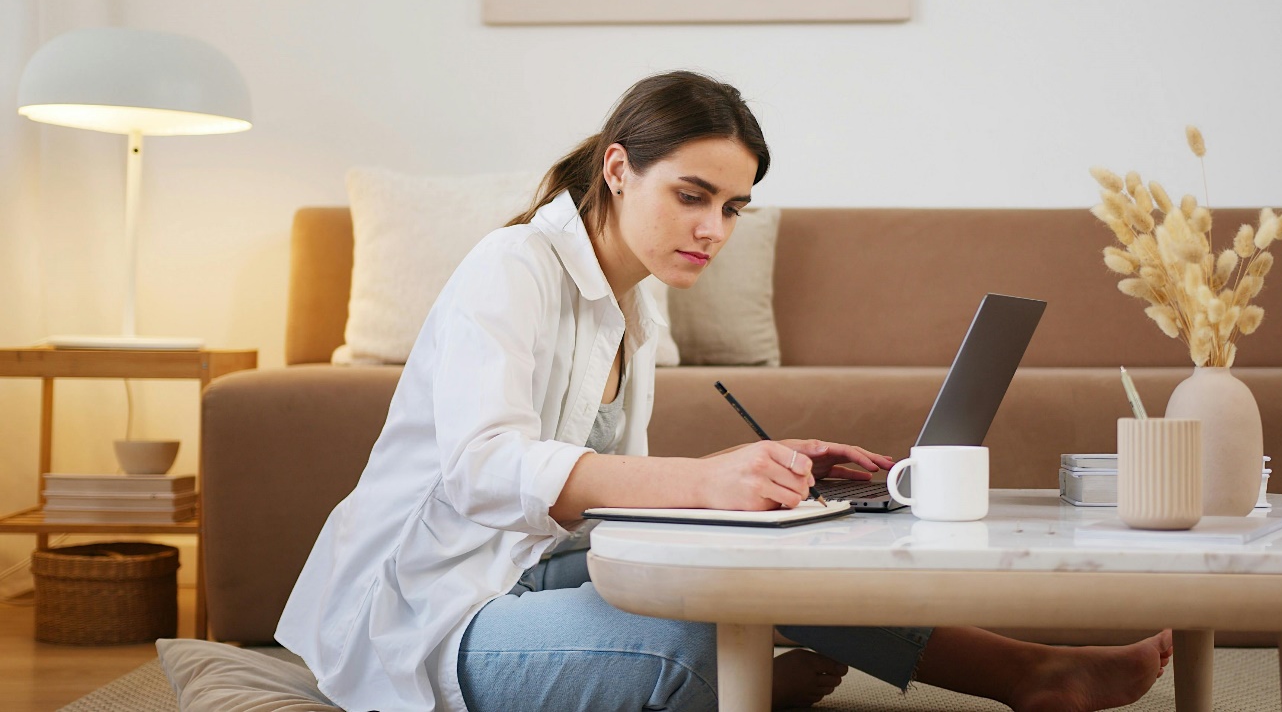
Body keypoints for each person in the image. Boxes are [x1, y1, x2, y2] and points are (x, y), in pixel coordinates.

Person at [276, 71, 1173, 712]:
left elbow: (598, 496)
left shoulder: (636, 305)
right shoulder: (512, 267)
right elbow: (483, 469)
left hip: (524, 569)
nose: (713, 229)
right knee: (698, 644)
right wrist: (705, 483)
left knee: (773, 559)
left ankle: (1026, 672)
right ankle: (744, 688)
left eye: (733, 208)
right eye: (692, 196)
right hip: (427, 612)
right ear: (619, 169)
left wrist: (755, 480)